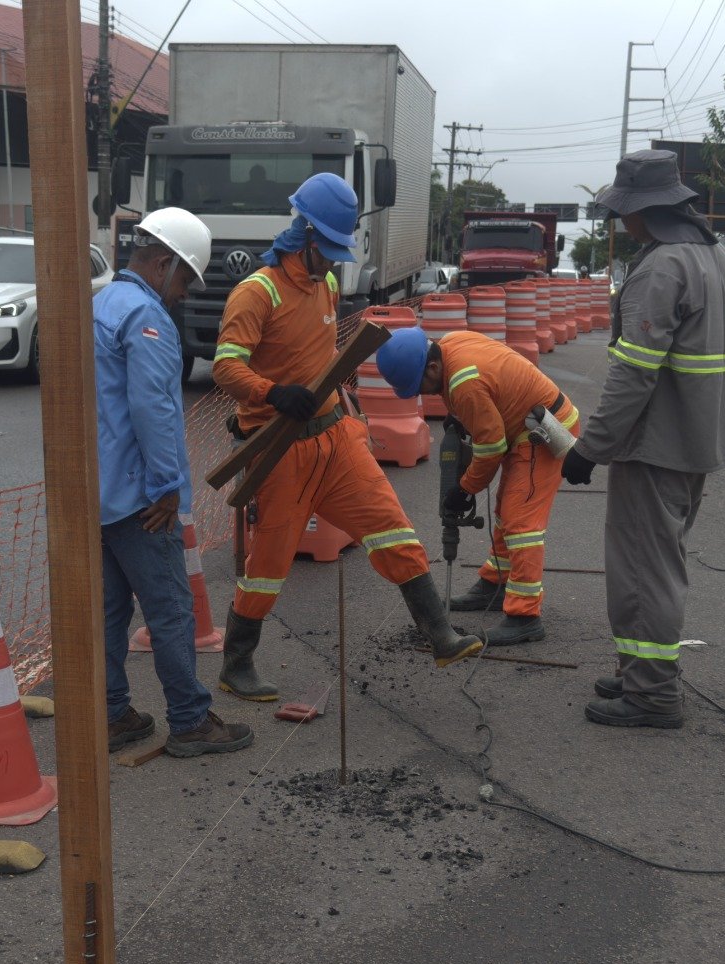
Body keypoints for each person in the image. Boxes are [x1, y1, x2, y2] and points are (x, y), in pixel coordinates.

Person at [211, 173, 482, 701]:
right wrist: (273, 393)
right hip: (279, 448)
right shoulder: (257, 292)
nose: (335, 263)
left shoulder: (328, 286)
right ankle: (237, 663)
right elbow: (225, 367)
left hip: (334, 439)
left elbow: (320, 353)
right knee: (268, 564)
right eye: (328, 251)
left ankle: (439, 633)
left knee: (392, 527)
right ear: (306, 236)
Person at [560, 148, 725, 729]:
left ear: (646, 212)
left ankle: (653, 693)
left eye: (625, 213)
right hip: (697, 439)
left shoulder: (662, 268)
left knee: (645, 568)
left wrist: (592, 447)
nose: (622, 222)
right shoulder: (717, 258)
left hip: (654, 444)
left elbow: (634, 371)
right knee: (661, 559)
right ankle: (639, 669)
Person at [94, 206, 254, 758]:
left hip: (97, 493)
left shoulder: (99, 305)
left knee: (110, 611)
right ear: (162, 263)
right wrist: (165, 487)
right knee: (171, 610)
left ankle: (112, 715)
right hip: (141, 497)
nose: (184, 292)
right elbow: (153, 410)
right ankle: (189, 720)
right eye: (184, 276)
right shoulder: (147, 318)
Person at [376, 326, 581, 646]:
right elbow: (490, 386)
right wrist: (460, 415)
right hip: (525, 423)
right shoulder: (451, 343)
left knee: (521, 521)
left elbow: (491, 447)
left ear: (432, 367)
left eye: (421, 386)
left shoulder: (463, 383)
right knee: (506, 510)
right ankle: (495, 583)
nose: (424, 393)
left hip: (544, 432)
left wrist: (465, 489)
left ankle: (525, 617)